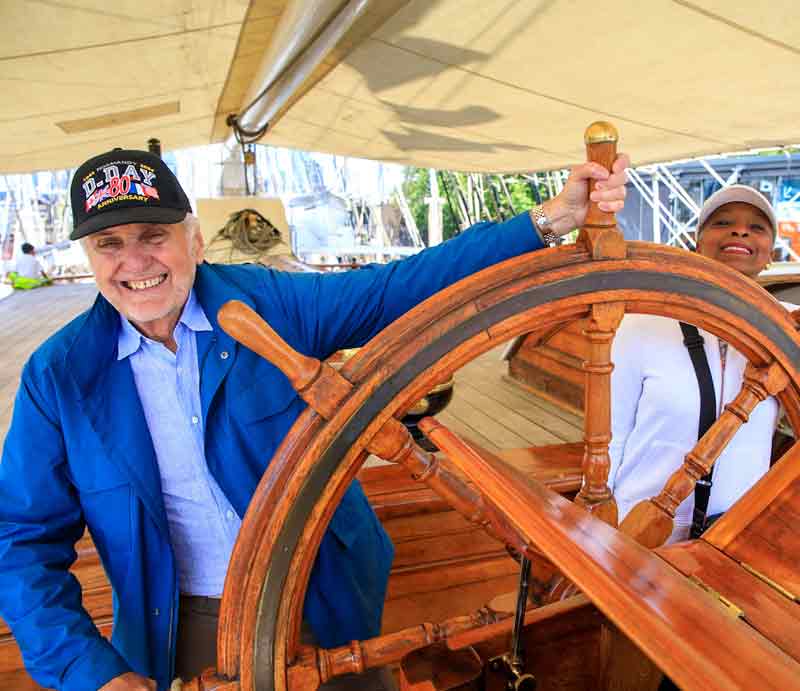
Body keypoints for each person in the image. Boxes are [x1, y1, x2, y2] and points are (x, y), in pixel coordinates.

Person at [0, 148, 627, 691]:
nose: (135, 262)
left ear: (192, 239)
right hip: (182, 620)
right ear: (88, 255)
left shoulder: (269, 303)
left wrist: (550, 220)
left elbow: (396, 288)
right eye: (110, 243)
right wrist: (94, 673)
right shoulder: (58, 378)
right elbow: (21, 540)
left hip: (324, 590)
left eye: (153, 236)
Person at [609, 184, 788, 544]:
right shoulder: (643, 322)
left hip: (734, 536)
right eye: (723, 222)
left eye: (757, 227)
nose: (740, 231)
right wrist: (598, 524)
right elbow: (611, 436)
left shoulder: (787, 331)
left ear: (769, 252)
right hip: (639, 528)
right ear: (697, 240)